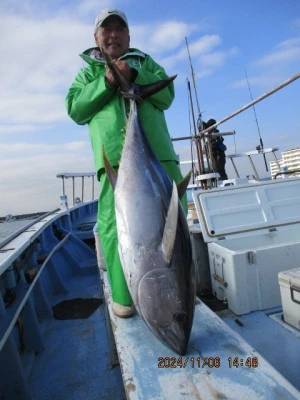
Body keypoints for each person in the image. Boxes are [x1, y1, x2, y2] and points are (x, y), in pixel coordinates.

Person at [66, 8, 187, 318]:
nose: (113, 35)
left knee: (174, 223)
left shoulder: (145, 62)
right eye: (107, 30)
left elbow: (167, 95)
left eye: (119, 29)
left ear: (129, 36)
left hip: (159, 157)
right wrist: (106, 81)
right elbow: (76, 109)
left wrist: (136, 76)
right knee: (114, 225)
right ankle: (124, 297)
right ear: (96, 37)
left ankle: (181, 296)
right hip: (115, 162)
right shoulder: (87, 74)